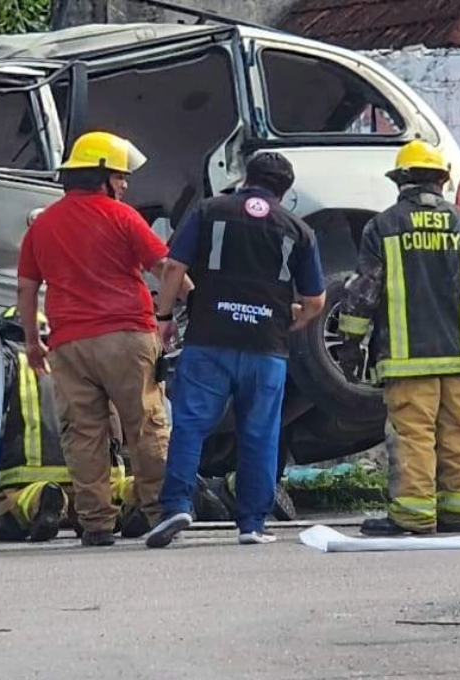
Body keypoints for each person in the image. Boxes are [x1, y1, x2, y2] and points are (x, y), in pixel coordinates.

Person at [146, 152, 326, 548]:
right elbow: (316, 300)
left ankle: (177, 504)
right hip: (267, 349)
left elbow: (174, 267)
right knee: (260, 433)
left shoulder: (209, 210)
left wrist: (164, 315)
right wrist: (292, 318)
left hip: (209, 342)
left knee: (190, 425)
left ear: (245, 177)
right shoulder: (298, 229)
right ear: (286, 190)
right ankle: (252, 524)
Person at [332, 141, 460, 536]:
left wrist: (350, 344)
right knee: (459, 434)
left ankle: (413, 515)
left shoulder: (384, 226)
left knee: (413, 436)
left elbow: (363, 292)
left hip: (407, 361)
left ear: (402, 181)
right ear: (441, 181)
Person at [16, 131, 174, 547]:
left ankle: (96, 523)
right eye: (120, 176)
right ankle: (160, 511)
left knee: (83, 433)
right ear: (101, 176)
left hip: (69, 344)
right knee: (145, 424)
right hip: (127, 335)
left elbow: (27, 289)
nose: (125, 184)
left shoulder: (43, 224)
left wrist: (34, 342)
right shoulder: (123, 217)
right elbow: (167, 269)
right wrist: (174, 310)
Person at [0, 307, 130, 542]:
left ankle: (41, 498)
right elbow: (116, 421)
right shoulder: (82, 361)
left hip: (27, 477)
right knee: (109, 496)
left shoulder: (5, 361)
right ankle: (133, 494)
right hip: (94, 478)